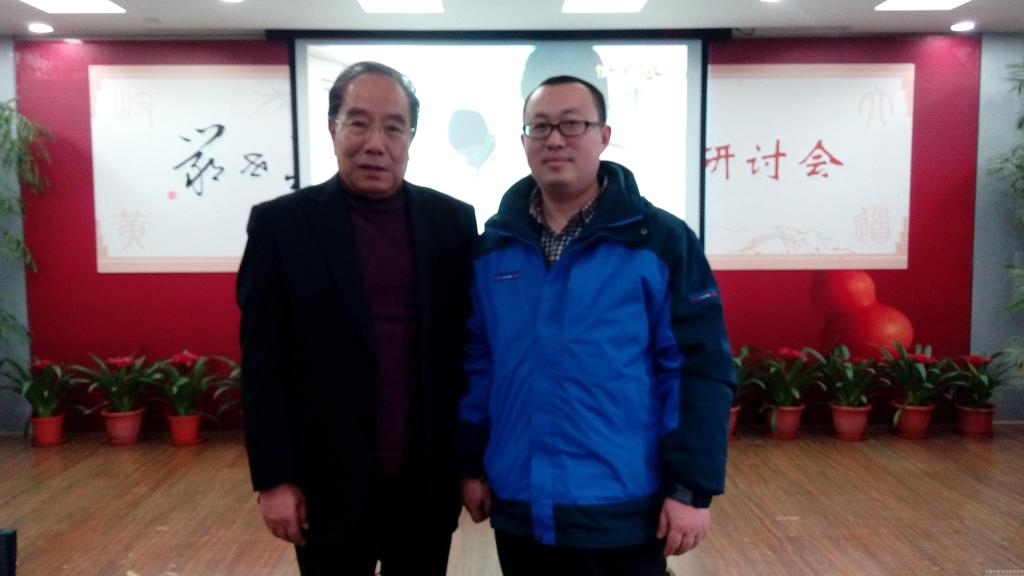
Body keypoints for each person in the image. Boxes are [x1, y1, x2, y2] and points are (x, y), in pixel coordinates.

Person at [458, 75, 736, 576]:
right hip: (520, 501)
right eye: (540, 127)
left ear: (603, 136)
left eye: (572, 124)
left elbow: (698, 369)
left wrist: (690, 489)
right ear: (523, 141)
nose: (555, 140)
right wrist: (471, 463)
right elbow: (480, 363)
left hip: (623, 506)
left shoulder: (660, 241)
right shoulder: (494, 247)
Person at [237, 61, 476, 576]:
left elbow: (466, 353)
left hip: (424, 482)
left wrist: (471, 464)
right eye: (359, 123)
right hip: (326, 484)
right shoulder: (282, 227)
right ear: (333, 128)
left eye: (393, 127)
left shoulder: (452, 222)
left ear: (411, 138)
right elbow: (262, 365)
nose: (375, 143)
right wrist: (274, 479)